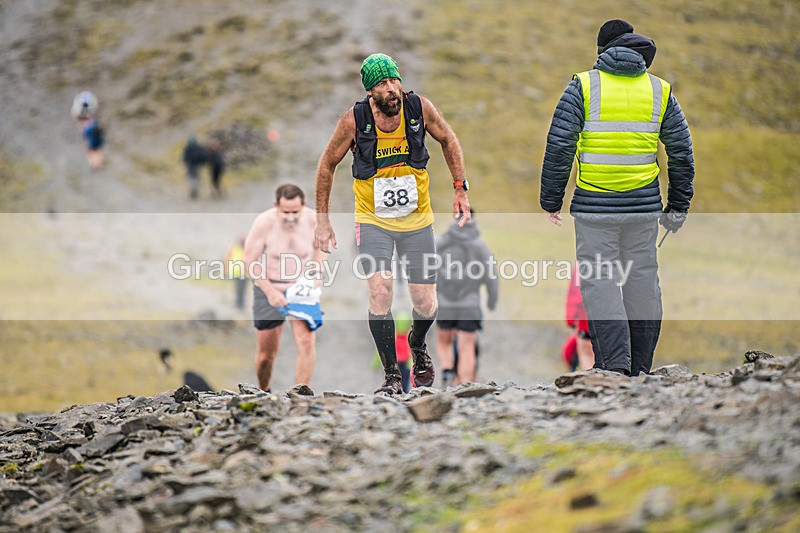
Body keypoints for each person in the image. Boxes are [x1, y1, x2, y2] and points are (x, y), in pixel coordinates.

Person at [540, 19, 694, 376]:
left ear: (602, 52)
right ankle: (640, 370)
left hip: (595, 210)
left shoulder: (583, 86)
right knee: (642, 281)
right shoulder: (659, 90)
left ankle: (615, 367)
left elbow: (560, 144)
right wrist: (678, 205)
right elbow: (681, 151)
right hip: (643, 209)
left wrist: (551, 199)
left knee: (600, 282)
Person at [313, 53, 471, 395]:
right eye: (383, 83)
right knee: (381, 290)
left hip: (417, 220)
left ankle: (417, 344)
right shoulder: (353, 121)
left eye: (394, 80)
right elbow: (326, 165)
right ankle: (391, 376)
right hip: (373, 221)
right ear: (371, 91)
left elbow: (448, 139)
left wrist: (460, 188)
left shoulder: (419, 109)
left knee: (425, 302)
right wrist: (322, 220)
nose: (392, 89)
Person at [243, 184, 326, 392]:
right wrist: (270, 292)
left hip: (301, 288)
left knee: (306, 341)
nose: (290, 217)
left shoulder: (313, 220)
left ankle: (301, 394)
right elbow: (249, 261)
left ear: (303, 206)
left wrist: (317, 271)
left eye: (295, 212)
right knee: (266, 355)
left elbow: (321, 248)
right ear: (276, 206)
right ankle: (264, 391)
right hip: (269, 285)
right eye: (285, 212)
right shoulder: (264, 222)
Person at [434, 210, 498, 387]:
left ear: (454, 218)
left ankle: (447, 370)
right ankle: (465, 384)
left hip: (444, 302)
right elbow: (491, 275)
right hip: (470, 304)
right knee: (467, 346)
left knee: (444, 342)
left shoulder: (441, 242)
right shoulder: (479, 245)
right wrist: (492, 300)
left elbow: (426, 267)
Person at [561, 262, 594, 371]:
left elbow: (575, 293)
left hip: (586, 322)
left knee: (587, 355)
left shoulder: (585, 259)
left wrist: (571, 319)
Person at [70, 91, 104, 169]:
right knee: (93, 149)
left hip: (93, 134)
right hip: (93, 133)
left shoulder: (90, 125)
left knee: (93, 149)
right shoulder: (91, 121)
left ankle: (96, 164)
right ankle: (96, 164)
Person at [224, 234, 248, 310]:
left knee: (242, 289)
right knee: (237, 289)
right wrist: (225, 270)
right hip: (235, 272)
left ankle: (241, 304)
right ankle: (238, 304)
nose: (242, 242)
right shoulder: (233, 248)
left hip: (244, 273)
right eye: (241, 240)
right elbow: (227, 258)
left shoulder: (247, 249)